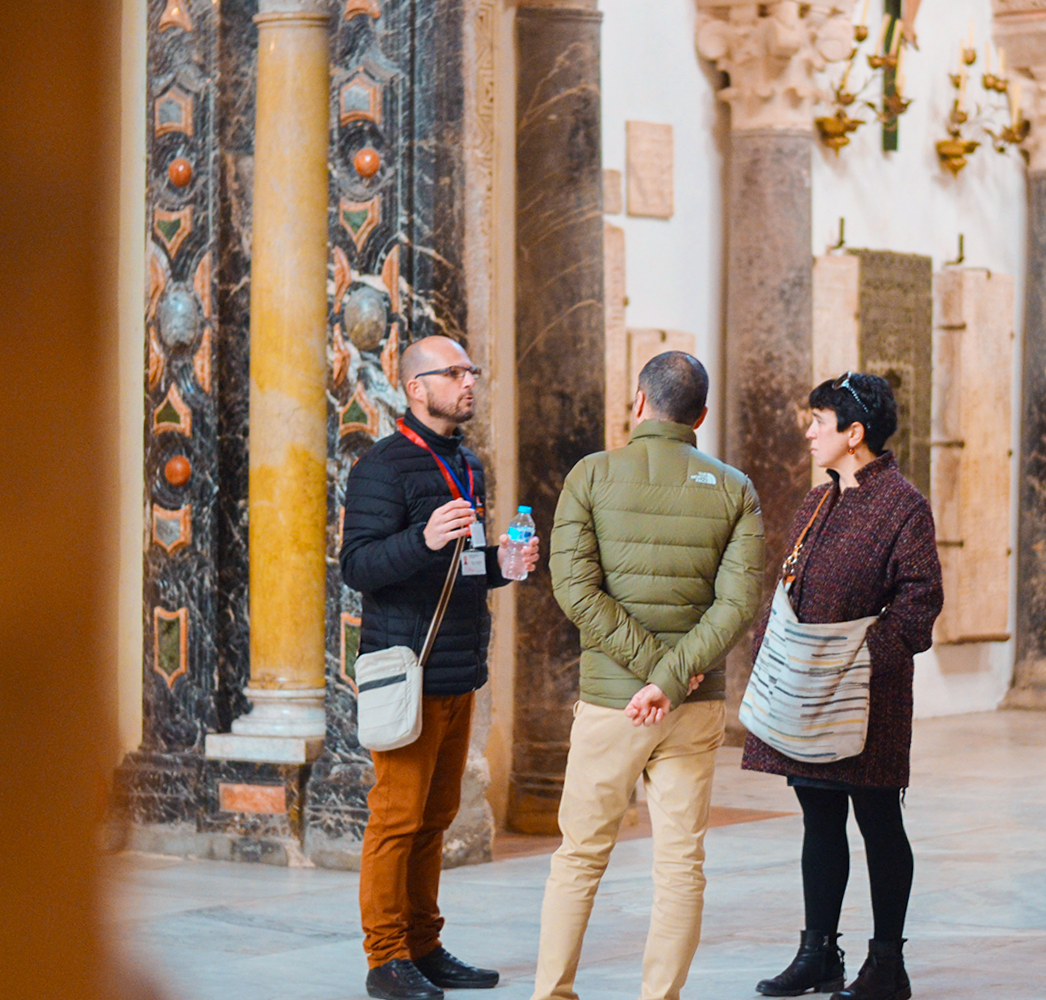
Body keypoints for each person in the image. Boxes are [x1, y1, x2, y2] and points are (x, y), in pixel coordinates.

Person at [535, 351, 765, 1000]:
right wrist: (671, 677)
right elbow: (737, 605)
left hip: (612, 703)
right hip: (691, 708)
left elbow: (575, 591)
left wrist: (647, 675)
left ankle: (553, 993)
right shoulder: (733, 487)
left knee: (579, 857)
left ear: (638, 402)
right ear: (702, 415)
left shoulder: (592, 475)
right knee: (681, 866)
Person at [341, 335, 542, 1000]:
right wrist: (420, 538)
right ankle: (386, 958)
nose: (468, 382)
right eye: (452, 372)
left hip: (457, 670)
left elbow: (467, 567)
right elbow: (358, 568)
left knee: (436, 817)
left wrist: (503, 569)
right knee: (397, 818)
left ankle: (424, 945)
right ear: (415, 388)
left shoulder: (467, 464)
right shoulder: (382, 467)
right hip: (406, 669)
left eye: (471, 371)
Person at [741, 372, 943, 1000]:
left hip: (868, 697)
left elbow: (920, 603)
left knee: (879, 822)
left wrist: (859, 661)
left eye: (819, 422)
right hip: (805, 692)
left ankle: (887, 965)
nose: (809, 432)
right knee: (818, 818)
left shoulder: (904, 504)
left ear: (854, 434)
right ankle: (818, 954)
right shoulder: (817, 501)